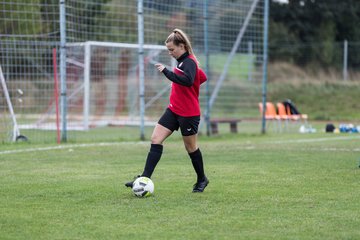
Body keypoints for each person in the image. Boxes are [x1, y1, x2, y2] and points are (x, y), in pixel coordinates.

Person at [125, 28, 209, 193]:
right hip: (173, 110)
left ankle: (202, 179)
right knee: (156, 139)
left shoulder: (189, 61)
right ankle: (144, 179)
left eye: (172, 49)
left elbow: (188, 80)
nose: (170, 53)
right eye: (168, 50)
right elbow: (202, 77)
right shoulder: (184, 62)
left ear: (182, 46)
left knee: (191, 148)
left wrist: (166, 72)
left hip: (188, 113)